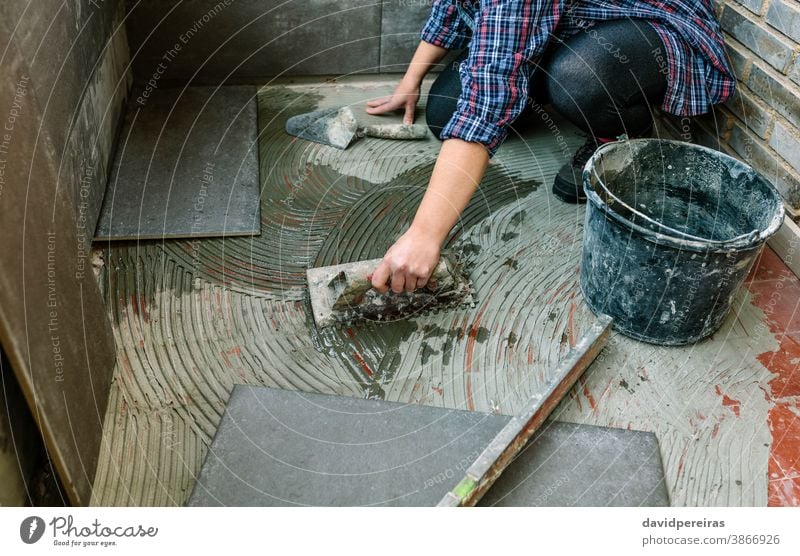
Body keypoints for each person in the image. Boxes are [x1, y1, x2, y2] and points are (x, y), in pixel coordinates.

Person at [365, 0, 735, 295]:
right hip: (567, 22)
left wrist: (424, 235)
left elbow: (485, 107)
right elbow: (451, 10)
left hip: (645, 24)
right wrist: (411, 80)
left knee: (578, 79)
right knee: (445, 111)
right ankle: (542, 80)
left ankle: (619, 133)